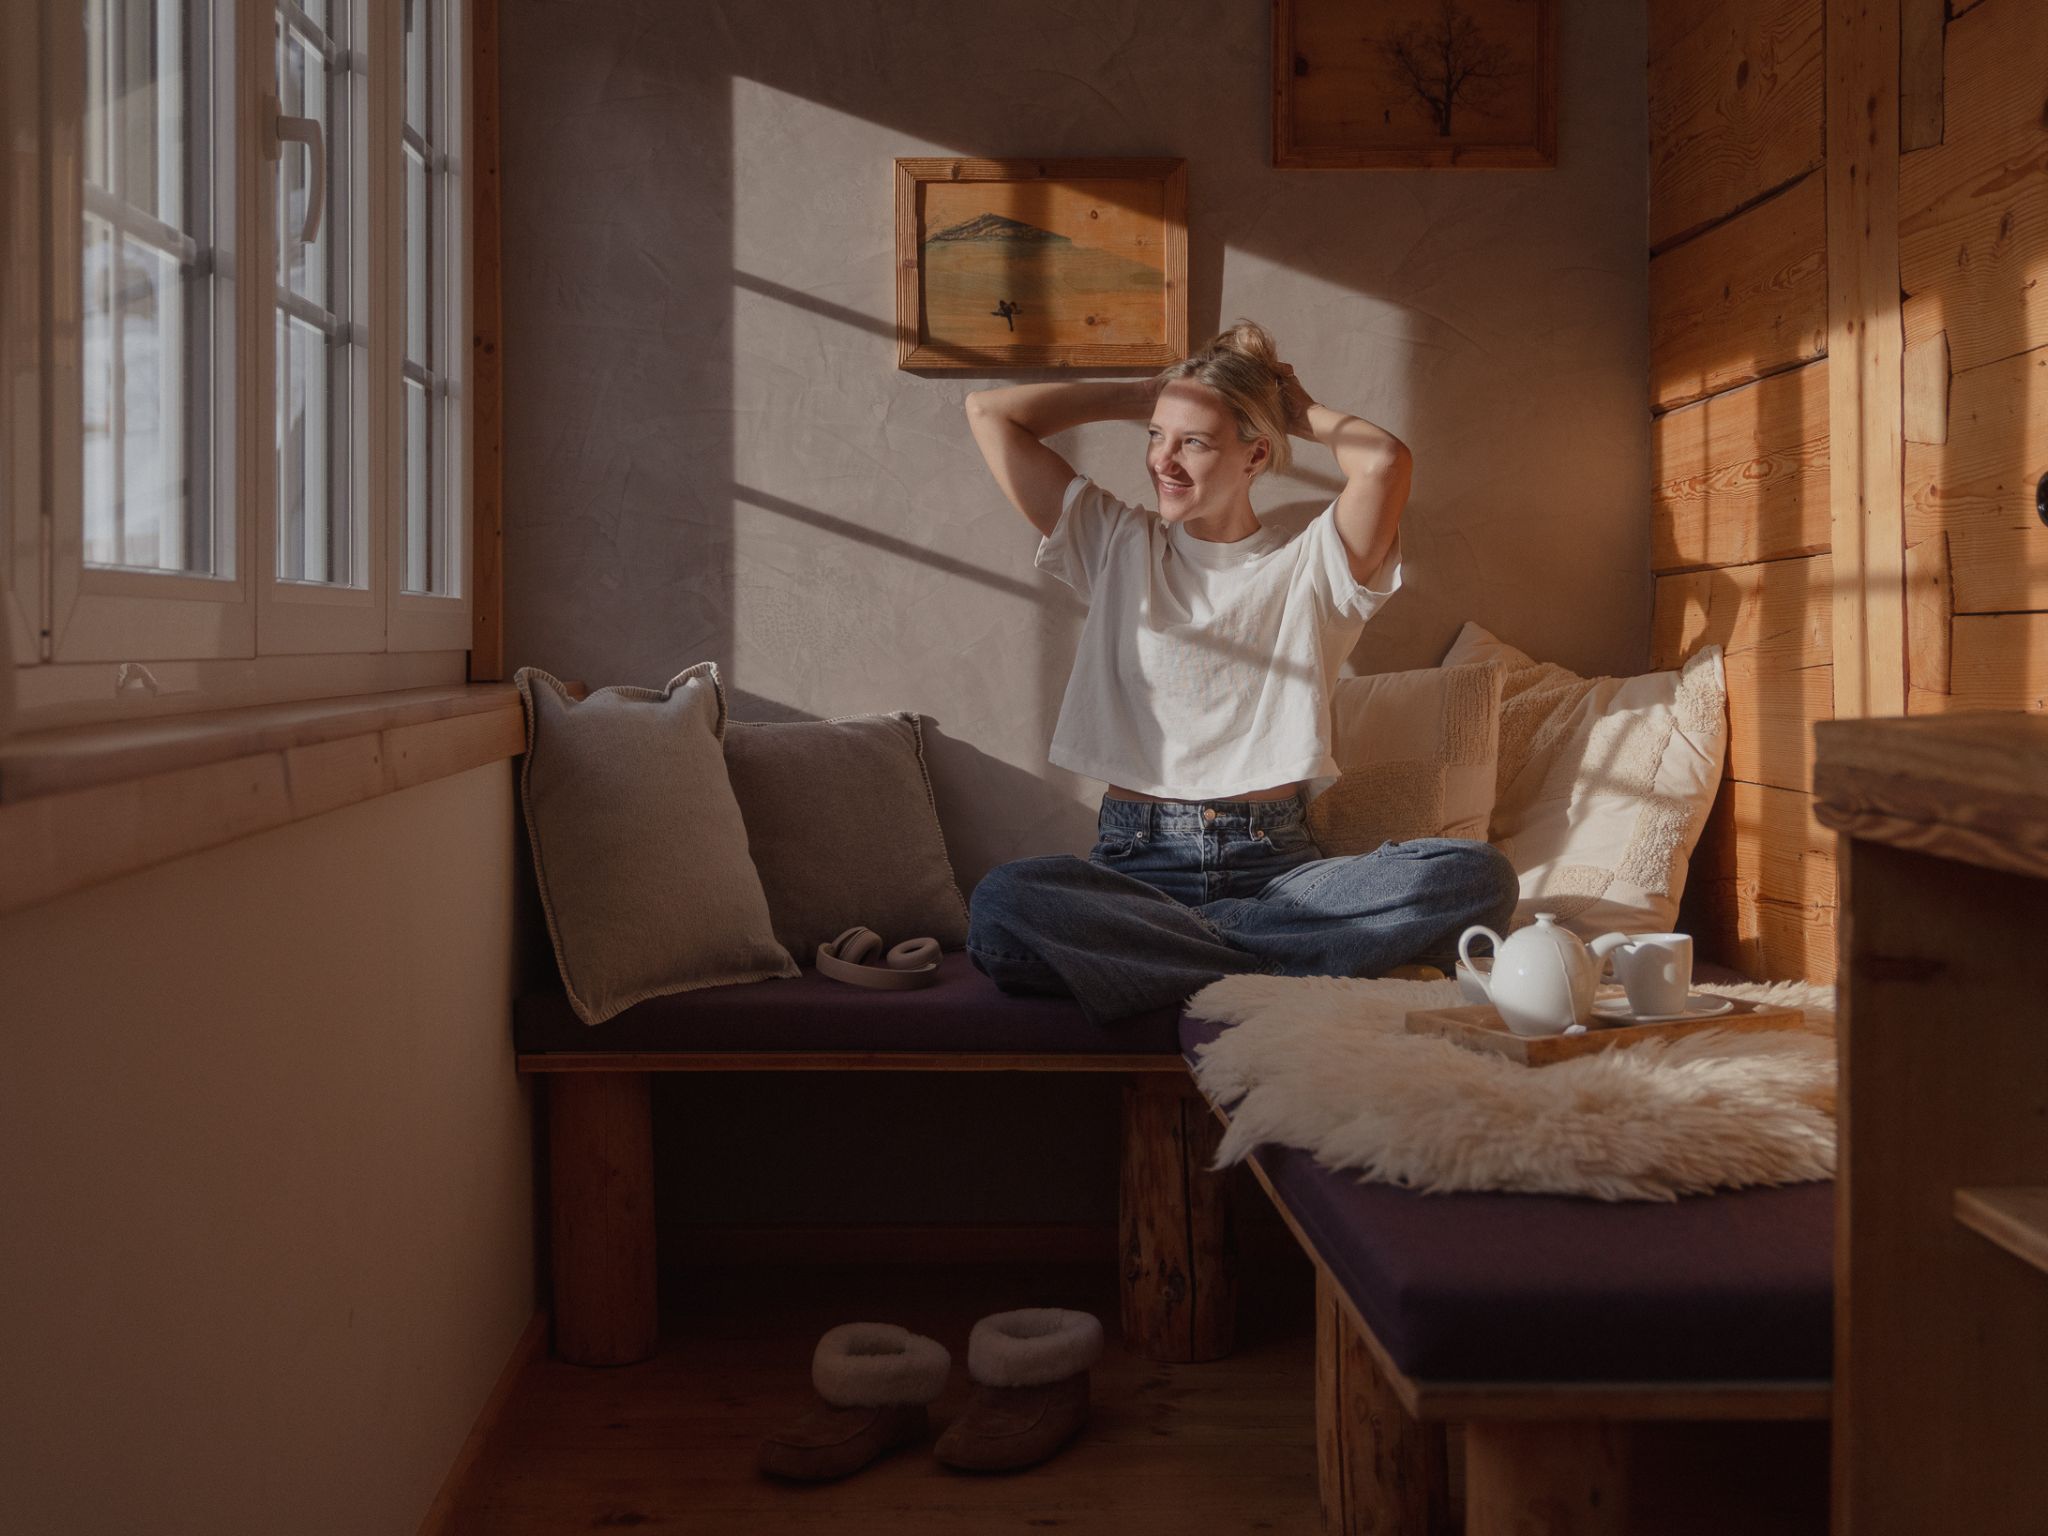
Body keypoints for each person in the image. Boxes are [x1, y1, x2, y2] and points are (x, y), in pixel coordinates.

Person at [960, 320, 1517, 1026]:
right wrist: (1156, 392)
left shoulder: (1314, 565)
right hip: (1135, 867)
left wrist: (1296, 405)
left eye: (1193, 441)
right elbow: (992, 414)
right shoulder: (1114, 543)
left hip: (1276, 874)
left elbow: (1382, 460)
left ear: (1256, 454)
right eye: (1155, 436)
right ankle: (1273, 963)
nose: (1163, 459)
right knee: (1004, 906)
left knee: (1476, 878)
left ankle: (1171, 962)